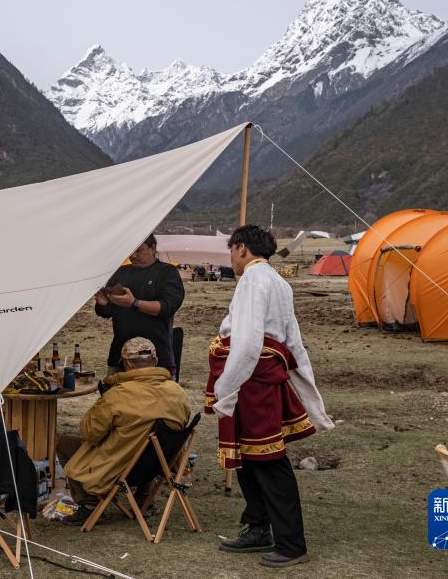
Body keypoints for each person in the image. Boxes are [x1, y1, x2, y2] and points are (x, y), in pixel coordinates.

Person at [207, 225, 333, 569]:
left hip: (252, 381)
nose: (231, 259)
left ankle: (291, 543)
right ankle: (259, 526)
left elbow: (248, 340)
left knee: (268, 460)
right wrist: (309, 390)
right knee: (248, 459)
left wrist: (226, 388)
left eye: (231, 251)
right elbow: (293, 342)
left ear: (242, 248)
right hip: (254, 377)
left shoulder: (253, 279)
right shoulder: (278, 281)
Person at [56, 339, 190, 526]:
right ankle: (144, 498)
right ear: (156, 360)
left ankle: (89, 504)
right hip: (159, 466)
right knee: (150, 442)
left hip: (120, 467)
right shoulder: (177, 392)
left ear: (128, 364)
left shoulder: (117, 395)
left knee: (63, 443)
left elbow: (90, 434)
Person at [94, 234, 185, 377]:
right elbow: (107, 312)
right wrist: (103, 304)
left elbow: (167, 307)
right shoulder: (121, 273)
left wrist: (134, 303)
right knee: (116, 392)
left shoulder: (167, 272)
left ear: (152, 248)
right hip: (120, 357)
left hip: (157, 359)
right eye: (131, 251)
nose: (133, 255)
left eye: (139, 250)